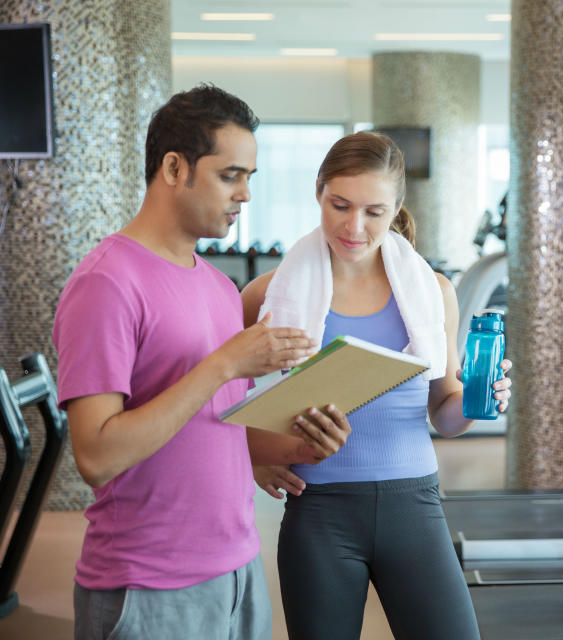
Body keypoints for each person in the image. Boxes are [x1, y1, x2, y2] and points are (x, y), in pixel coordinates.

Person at [53, 85, 352, 640]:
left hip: (237, 571)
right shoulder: (105, 283)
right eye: (229, 175)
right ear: (173, 167)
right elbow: (96, 456)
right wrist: (221, 365)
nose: (244, 195)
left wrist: (298, 444)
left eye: (250, 179)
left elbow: (214, 430)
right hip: (147, 586)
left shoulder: (217, 286)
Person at [241, 131, 513, 640]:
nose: (353, 227)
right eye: (339, 205)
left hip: (414, 506)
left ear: (396, 208)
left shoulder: (432, 292)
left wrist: (481, 400)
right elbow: (222, 391)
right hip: (318, 511)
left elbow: (446, 415)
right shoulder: (268, 293)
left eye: (374, 211)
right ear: (318, 190)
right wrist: (256, 454)